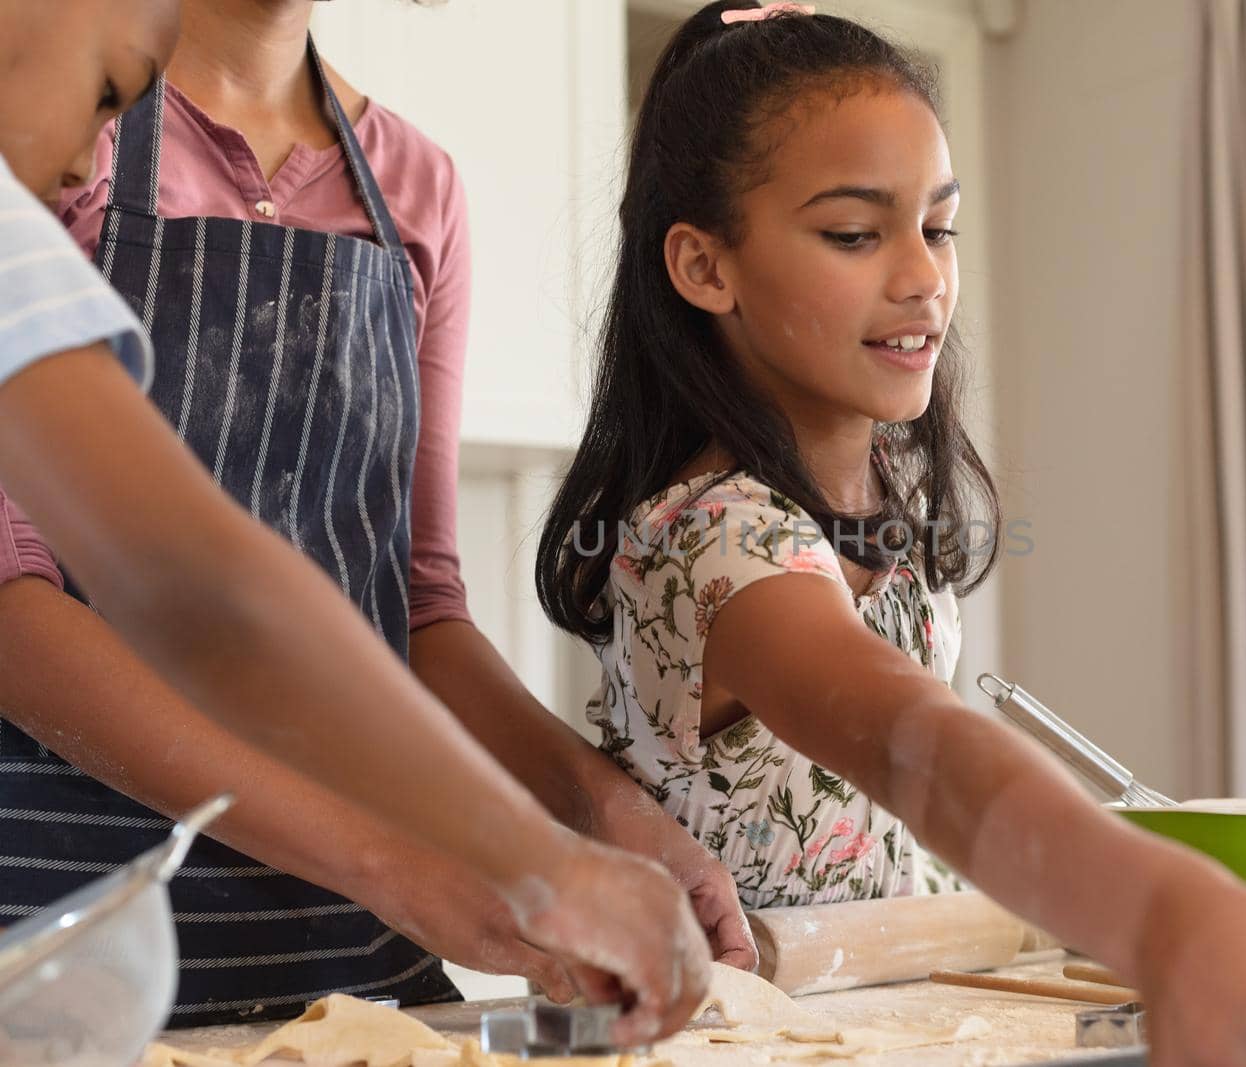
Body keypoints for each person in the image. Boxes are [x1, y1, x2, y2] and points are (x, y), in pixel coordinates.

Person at [536, 3, 1246, 1064]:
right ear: (702, 267)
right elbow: (913, 740)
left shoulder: (880, 516)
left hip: (872, 1024)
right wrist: (1166, 908)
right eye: (855, 234)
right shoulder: (715, 542)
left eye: (938, 225)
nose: (923, 276)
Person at [0, 0, 713, 1041]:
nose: (80, 161)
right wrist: (480, 855)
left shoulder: (418, 189)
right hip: (83, 931)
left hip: (353, 950)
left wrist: (592, 811)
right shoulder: (52, 163)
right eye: (113, 91)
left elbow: (415, 605)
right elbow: (185, 588)